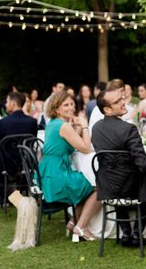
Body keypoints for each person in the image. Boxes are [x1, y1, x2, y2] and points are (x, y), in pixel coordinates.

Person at [91, 89, 146, 247]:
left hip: (107, 186)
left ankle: (126, 232)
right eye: (117, 102)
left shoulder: (96, 128)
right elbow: (142, 162)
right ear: (107, 109)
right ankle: (136, 233)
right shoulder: (128, 129)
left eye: (122, 98)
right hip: (130, 188)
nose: (123, 102)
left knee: (121, 179)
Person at [38, 90, 101, 241]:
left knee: (82, 182)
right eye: (65, 105)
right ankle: (81, 227)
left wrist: (77, 127)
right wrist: (85, 125)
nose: (71, 107)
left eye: (72, 104)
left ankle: (74, 223)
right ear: (56, 108)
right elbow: (86, 148)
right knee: (100, 186)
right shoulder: (63, 126)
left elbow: (73, 144)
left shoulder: (53, 123)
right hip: (57, 176)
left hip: (48, 173)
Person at [0, 92, 38, 202]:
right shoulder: (32, 122)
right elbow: (32, 143)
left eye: (7, 102)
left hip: (7, 163)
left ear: (13, 103)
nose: (5, 105)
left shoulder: (4, 122)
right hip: (26, 161)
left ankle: (3, 195)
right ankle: (22, 190)